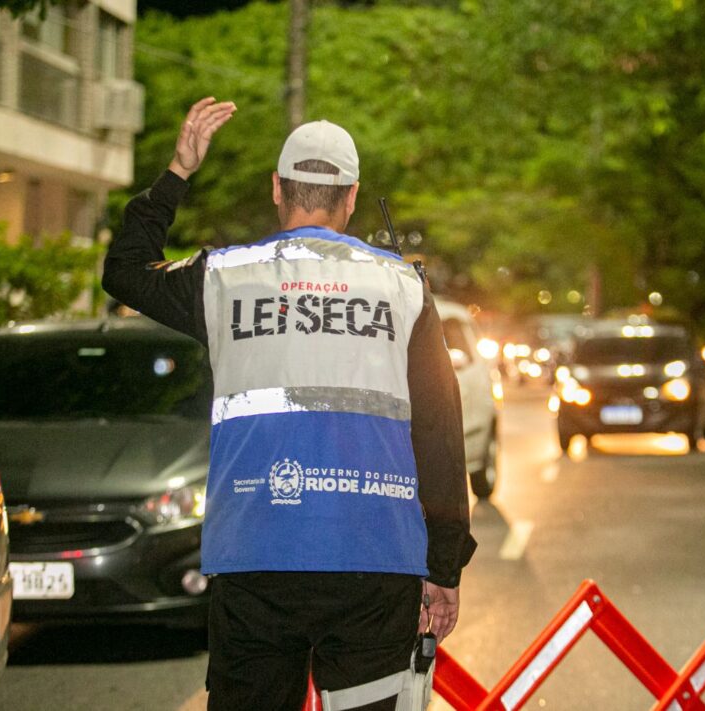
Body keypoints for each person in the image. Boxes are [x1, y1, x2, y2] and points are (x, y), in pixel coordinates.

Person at [102, 97, 476, 710]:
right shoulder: (404, 288)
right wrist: (444, 566)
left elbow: (124, 271)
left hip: (255, 558)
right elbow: (439, 431)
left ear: (278, 188)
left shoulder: (225, 278)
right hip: (375, 560)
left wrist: (178, 170)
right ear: (352, 197)